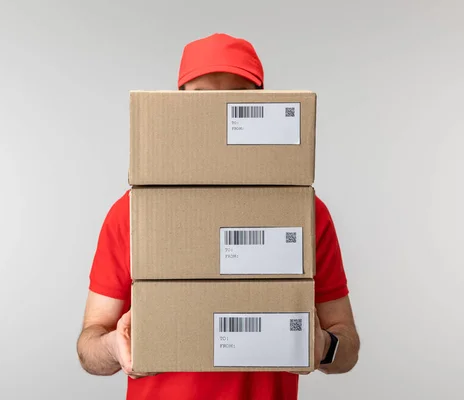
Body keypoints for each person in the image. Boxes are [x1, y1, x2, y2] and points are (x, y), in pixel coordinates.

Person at [76, 33, 360, 400]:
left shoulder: (307, 214)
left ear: (262, 107)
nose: (220, 111)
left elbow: (347, 346)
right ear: (179, 109)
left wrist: (322, 345)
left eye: (237, 98)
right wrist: (116, 346)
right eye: (204, 98)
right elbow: (89, 345)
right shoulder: (132, 213)